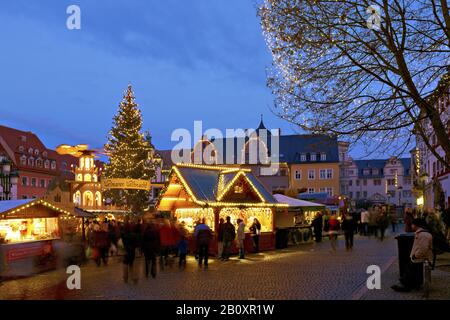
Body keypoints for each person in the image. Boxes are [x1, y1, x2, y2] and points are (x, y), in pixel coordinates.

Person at [391, 218, 433, 292]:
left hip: (421, 258)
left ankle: (406, 286)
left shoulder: (423, 235)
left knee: (411, 269)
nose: (411, 226)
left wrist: (415, 256)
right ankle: (407, 283)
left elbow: (423, 248)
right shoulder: (421, 233)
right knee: (409, 269)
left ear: (416, 225)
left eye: (412, 224)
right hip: (419, 257)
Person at [121, 219, 139, 284]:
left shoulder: (123, 235)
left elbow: (122, 243)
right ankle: (134, 277)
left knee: (125, 264)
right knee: (132, 264)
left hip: (126, 251)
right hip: (132, 251)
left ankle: (125, 277)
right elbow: (136, 244)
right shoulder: (133, 235)